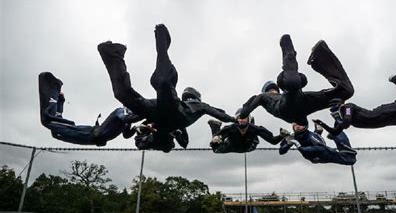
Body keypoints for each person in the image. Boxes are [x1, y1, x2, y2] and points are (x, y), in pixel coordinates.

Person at [97, 24, 235, 149]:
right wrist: (132, 124)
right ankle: (114, 54)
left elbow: (210, 115)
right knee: (123, 94)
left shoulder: (196, 107)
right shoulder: (189, 108)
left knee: (131, 91)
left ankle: (116, 54)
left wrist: (233, 120)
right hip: (162, 111)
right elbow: (131, 126)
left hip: (167, 113)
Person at [239, 36, 354, 125]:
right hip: (284, 108)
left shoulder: (285, 93)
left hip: (302, 102)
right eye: (270, 90)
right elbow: (256, 99)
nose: (273, 92)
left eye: (275, 90)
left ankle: (319, 56)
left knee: (346, 91)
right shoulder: (264, 98)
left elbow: (303, 121)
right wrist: (244, 112)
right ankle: (287, 49)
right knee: (292, 83)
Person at [38, 72, 142, 146]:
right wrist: (144, 114)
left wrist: (135, 128)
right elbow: (126, 118)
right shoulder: (121, 112)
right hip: (88, 134)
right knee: (48, 122)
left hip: (93, 139)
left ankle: (59, 98)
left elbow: (126, 135)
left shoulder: (127, 121)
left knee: (56, 131)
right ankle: (52, 86)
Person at [314, 70, 396, 136]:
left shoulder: (348, 107)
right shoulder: (341, 117)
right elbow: (335, 132)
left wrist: (340, 120)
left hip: (383, 113)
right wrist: (322, 124)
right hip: (388, 120)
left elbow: (347, 121)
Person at [208, 110, 290, 153]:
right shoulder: (230, 128)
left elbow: (273, 141)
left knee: (253, 134)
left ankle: (252, 128)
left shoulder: (255, 128)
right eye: (240, 118)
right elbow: (214, 143)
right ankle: (215, 126)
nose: (242, 120)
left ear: (248, 119)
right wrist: (216, 140)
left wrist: (281, 136)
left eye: (244, 118)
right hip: (231, 146)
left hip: (249, 146)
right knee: (215, 148)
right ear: (236, 119)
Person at [279, 120, 357, 165]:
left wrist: (299, 146)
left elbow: (321, 148)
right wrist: (288, 144)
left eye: (300, 124)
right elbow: (281, 151)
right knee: (349, 159)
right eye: (295, 124)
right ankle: (330, 133)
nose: (297, 126)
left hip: (324, 155)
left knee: (350, 159)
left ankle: (335, 134)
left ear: (305, 126)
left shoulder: (311, 135)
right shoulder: (292, 136)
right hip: (313, 157)